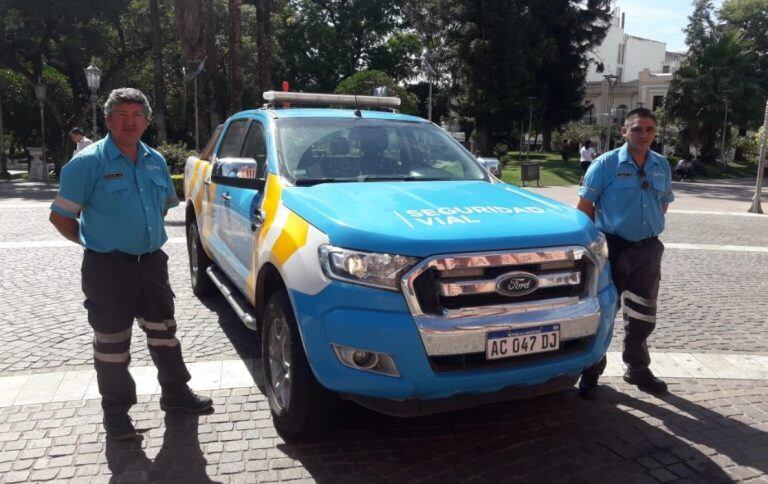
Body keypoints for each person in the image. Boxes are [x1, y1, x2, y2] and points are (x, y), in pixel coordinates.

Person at [49, 88, 212, 441]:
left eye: (137, 115)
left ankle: (176, 395)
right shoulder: (87, 163)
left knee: (164, 334)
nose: (130, 121)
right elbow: (60, 216)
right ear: (108, 120)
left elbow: (164, 206)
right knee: (111, 345)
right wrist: (93, 242)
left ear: (147, 121)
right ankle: (117, 415)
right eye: (122, 114)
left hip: (152, 265)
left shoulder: (155, 160)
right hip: (107, 270)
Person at [576, 107, 674, 398]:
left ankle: (637, 369)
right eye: (637, 129)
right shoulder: (604, 164)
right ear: (624, 131)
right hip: (613, 247)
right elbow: (584, 210)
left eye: (650, 130)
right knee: (605, 310)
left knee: (643, 312)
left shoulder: (662, 165)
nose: (644, 135)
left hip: (648, 248)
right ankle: (591, 370)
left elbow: (663, 204)